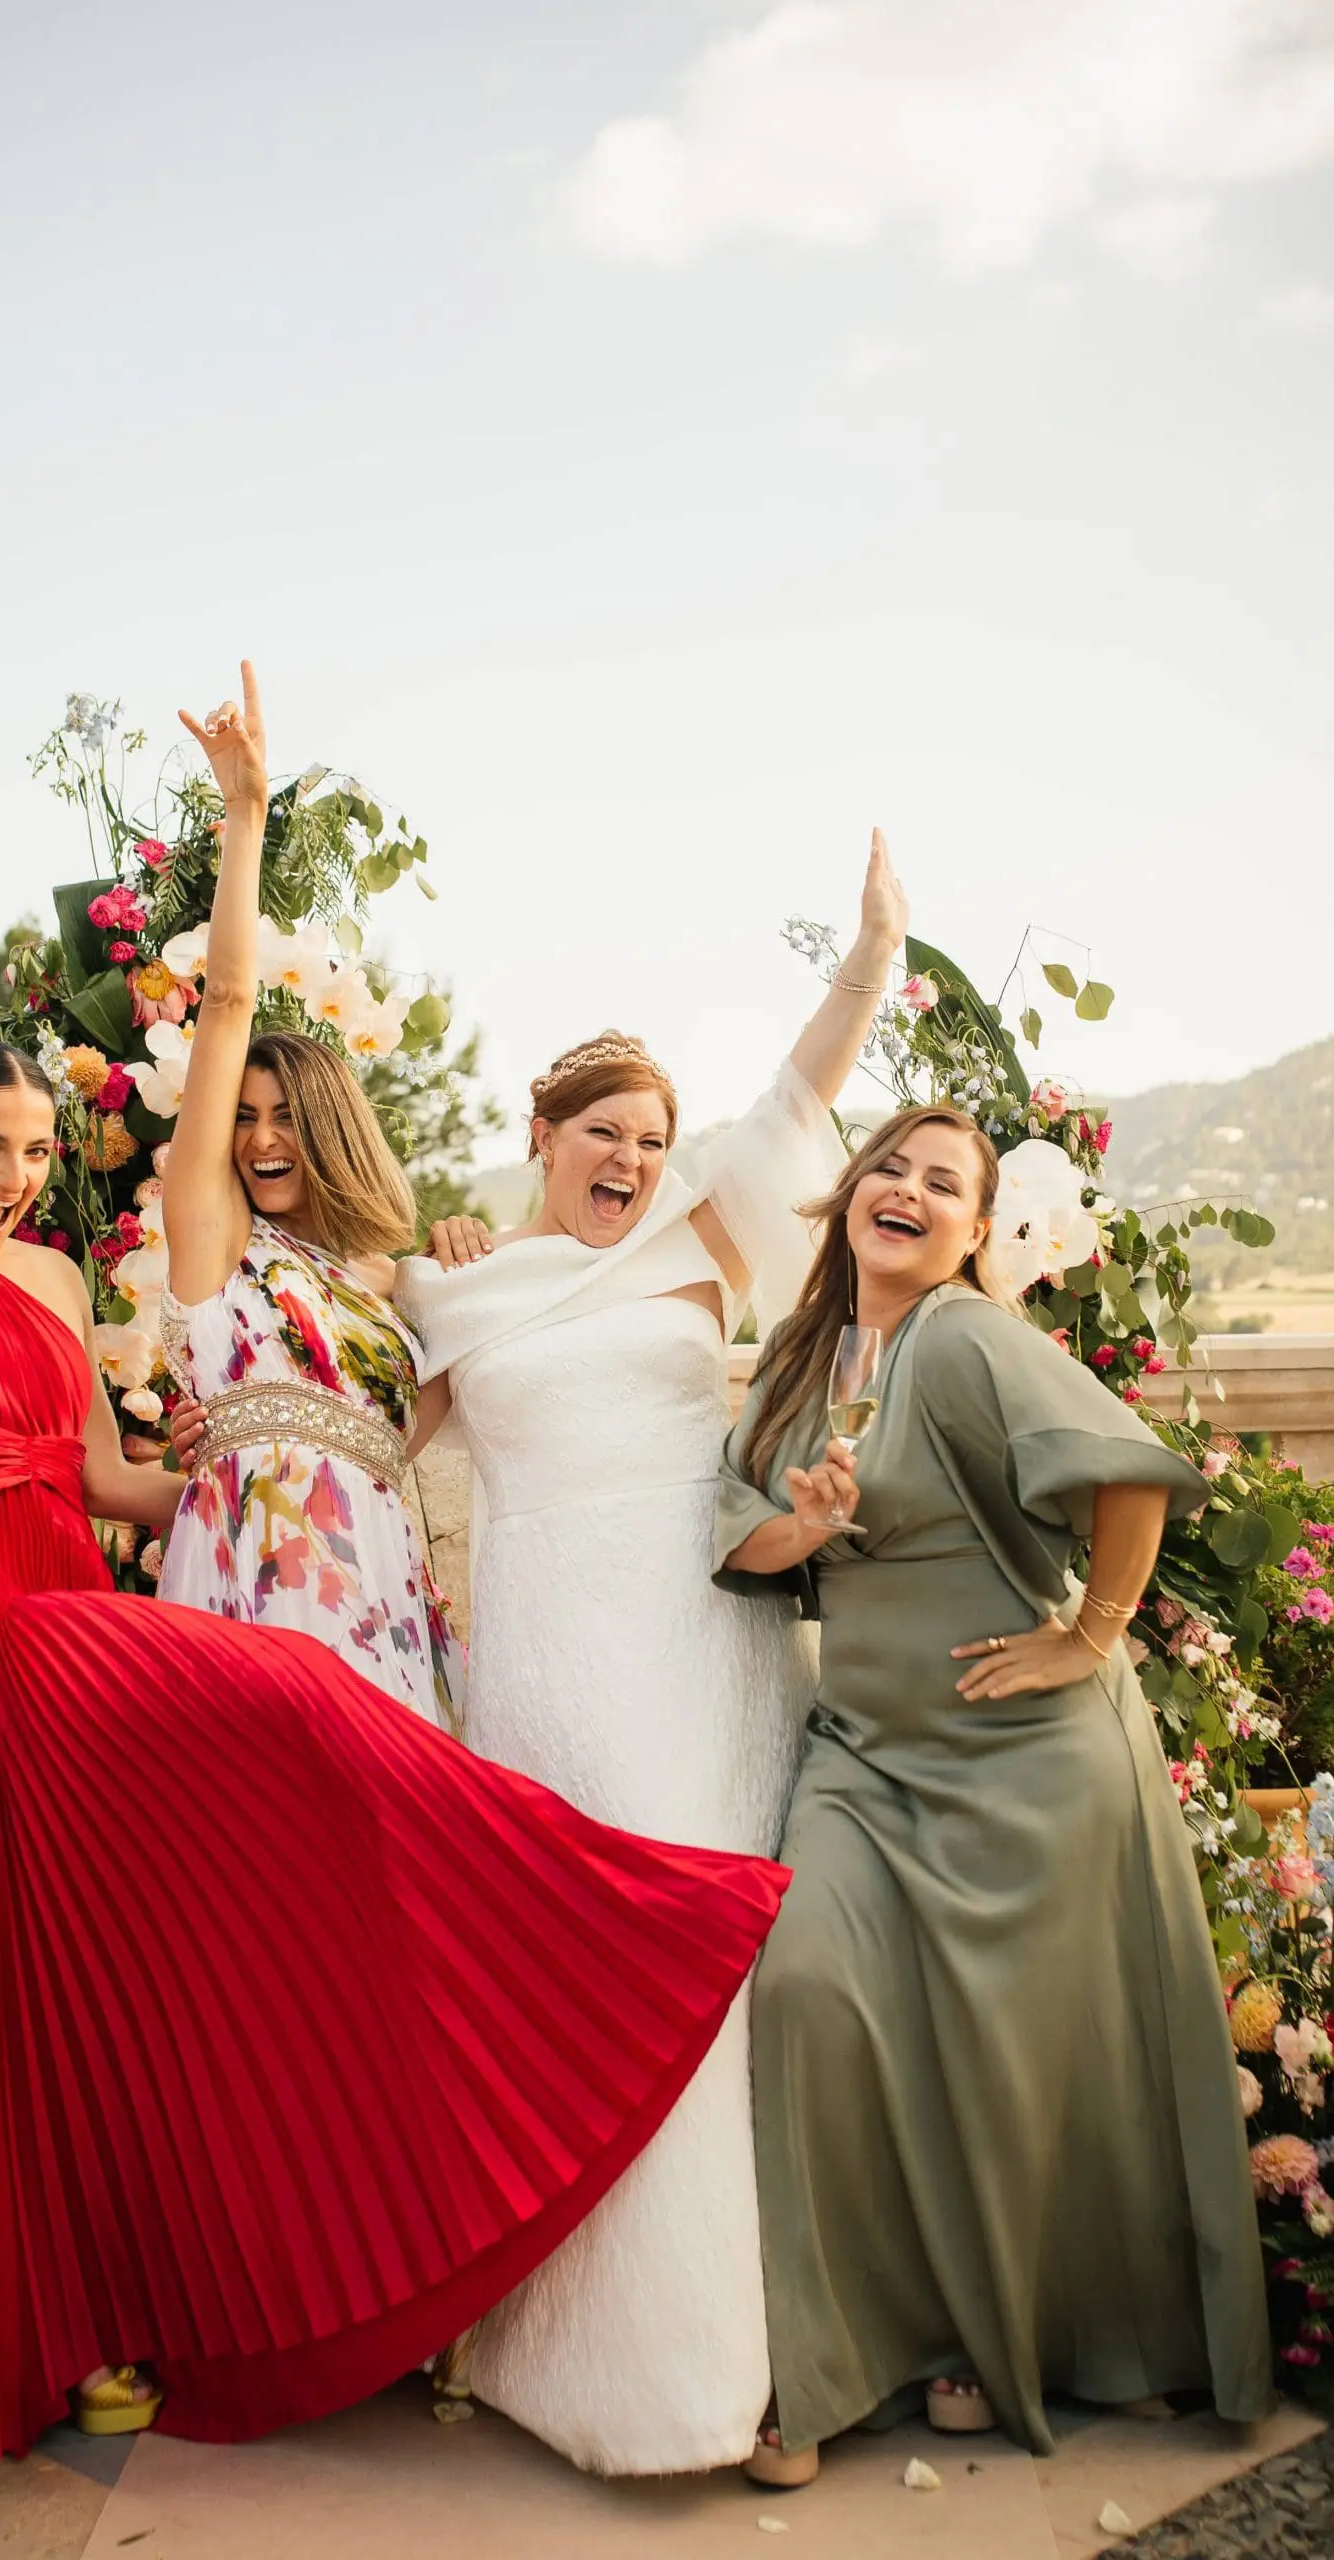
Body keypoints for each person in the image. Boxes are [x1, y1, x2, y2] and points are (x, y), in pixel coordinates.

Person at [0, 727, 795, 2471]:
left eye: (32, 1147)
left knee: (345, 1946)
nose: (12, 1173)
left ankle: (400, 2283)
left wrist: (280, 1418)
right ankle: (221, 2276)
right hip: (88, 1621)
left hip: (314, 1588)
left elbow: (105, 1477)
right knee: (211, 1955)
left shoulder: (111, 1283)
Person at [382, 839, 908, 2478]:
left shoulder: (699, 1239)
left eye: (650, 1138)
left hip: (697, 1640)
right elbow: (363, 1449)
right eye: (601, 1131)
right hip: (550, 1659)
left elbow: (800, 1089)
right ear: (539, 1138)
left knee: (710, 1955)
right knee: (570, 1968)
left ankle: (754, 2359)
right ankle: (569, 2349)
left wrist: (870, 955)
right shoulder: (446, 1284)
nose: (628, 1156)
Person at [714, 1103, 1274, 2486]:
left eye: (941, 1182)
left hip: (1020, 1757)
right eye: (888, 1166)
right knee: (805, 1990)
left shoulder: (963, 1337)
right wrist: (810, 1521)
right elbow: (742, 1540)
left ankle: (985, 2341)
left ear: (972, 1233)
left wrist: (1090, 1635)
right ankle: (822, 2366)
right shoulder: (794, 1360)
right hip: (863, 1754)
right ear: (851, 1191)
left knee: (1014, 2063)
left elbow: (1124, 1475)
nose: (905, 1189)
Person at [153, 666, 459, 1727]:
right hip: (252, 1571)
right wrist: (245, 813)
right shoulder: (215, 1244)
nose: (260, 1138)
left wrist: (472, 1244)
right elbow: (229, 1000)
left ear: (329, 1129)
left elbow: (420, 1422)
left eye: (286, 1115)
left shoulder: (389, 1286)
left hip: (381, 1584)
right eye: (242, 1116)